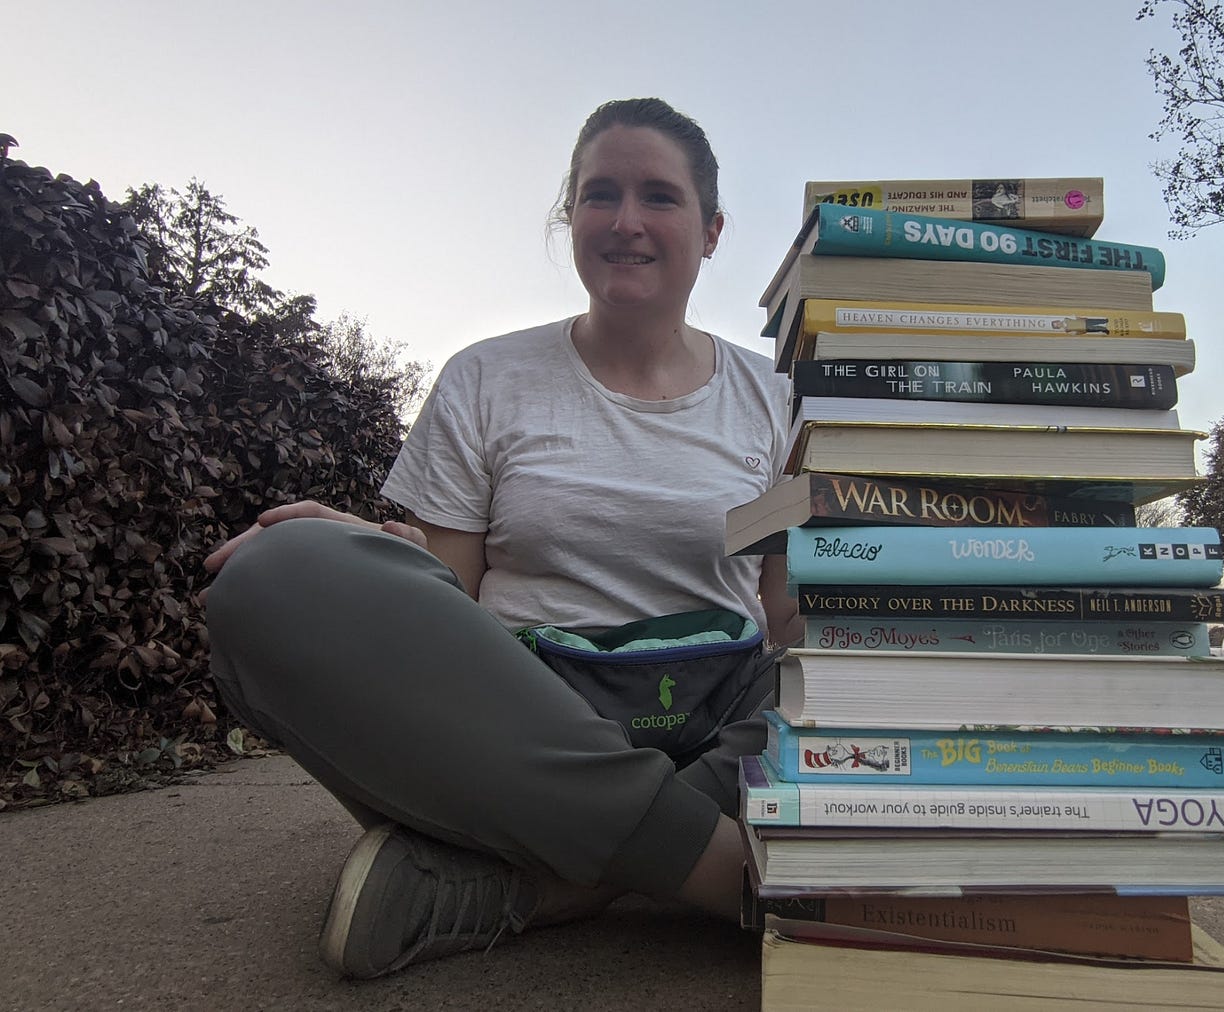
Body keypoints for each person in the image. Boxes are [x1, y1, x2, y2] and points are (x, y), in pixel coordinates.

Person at [203, 97, 800, 980]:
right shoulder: (487, 378)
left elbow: (782, 615)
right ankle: (730, 877)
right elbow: (453, 597)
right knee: (274, 570)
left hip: (721, 725)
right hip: (530, 731)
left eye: (658, 197)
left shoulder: (777, 400)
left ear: (711, 231)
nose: (626, 221)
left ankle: (535, 883)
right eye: (600, 194)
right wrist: (375, 559)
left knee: (867, 654)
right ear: (570, 216)